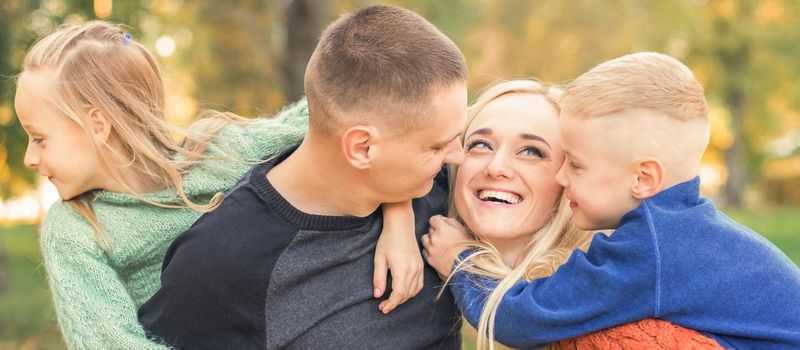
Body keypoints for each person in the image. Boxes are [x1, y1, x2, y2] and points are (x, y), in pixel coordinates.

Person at [16, 21, 418, 349]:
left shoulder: (214, 152)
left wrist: (398, 211)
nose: (29, 158)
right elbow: (107, 343)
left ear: (97, 125)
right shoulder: (77, 230)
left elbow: (342, 119)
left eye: (39, 137)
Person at [137, 6, 467, 349]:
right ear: (362, 148)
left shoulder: (438, 186)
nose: (460, 156)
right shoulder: (223, 266)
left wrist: (399, 211)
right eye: (438, 146)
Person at [424, 53, 800, 349]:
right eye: (479, 145)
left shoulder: (650, 250)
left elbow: (523, 318)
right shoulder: (685, 231)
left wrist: (461, 260)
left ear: (642, 178)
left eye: (575, 164)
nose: (561, 175)